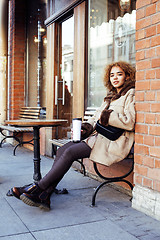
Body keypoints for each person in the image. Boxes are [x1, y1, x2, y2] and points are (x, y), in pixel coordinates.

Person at [10, 61, 136, 210]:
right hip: (98, 139)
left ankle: (38, 188)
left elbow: (130, 122)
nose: (115, 78)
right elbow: (96, 118)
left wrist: (108, 116)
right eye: (112, 75)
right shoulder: (111, 96)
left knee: (69, 152)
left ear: (127, 76)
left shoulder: (131, 93)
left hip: (114, 142)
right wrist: (85, 127)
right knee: (63, 150)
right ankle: (45, 195)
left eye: (119, 74)